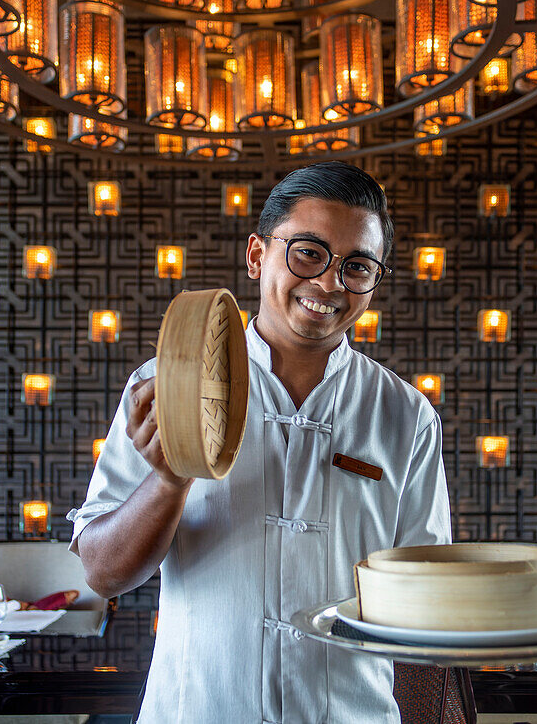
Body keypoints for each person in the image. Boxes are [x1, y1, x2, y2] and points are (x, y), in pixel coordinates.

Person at [67, 161, 452, 723]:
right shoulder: (166, 386)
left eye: (358, 266)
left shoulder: (406, 414)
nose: (329, 283)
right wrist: (170, 476)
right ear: (256, 256)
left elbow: (426, 600)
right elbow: (103, 573)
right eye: (308, 252)